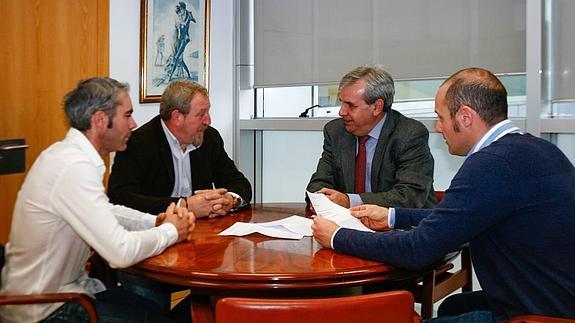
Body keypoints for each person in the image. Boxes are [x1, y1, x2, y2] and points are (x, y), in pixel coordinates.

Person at [312, 68, 575, 321]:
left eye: (441, 117)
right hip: (554, 297)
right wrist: (392, 216)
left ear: (465, 117)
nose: (438, 128)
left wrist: (338, 237)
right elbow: (457, 215)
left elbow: (418, 250)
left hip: (538, 315)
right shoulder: (538, 149)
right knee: (452, 305)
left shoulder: (492, 164)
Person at [0, 77, 195, 323]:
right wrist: (171, 231)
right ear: (100, 120)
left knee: (157, 311)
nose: (133, 124)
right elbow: (121, 253)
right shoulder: (72, 166)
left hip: (68, 291)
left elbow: (106, 210)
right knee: (162, 316)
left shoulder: (68, 157)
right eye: (127, 115)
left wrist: (154, 221)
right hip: (44, 308)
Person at [108, 79, 252, 218]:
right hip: (158, 231)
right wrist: (183, 206)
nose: (208, 121)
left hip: (204, 232)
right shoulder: (137, 143)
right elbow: (121, 199)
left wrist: (229, 200)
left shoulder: (209, 138)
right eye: (201, 114)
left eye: (208, 112)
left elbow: (239, 183)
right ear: (177, 117)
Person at [307, 65, 436, 210]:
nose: (341, 112)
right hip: (349, 224)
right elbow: (320, 181)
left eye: (350, 105)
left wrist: (351, 201)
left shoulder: (409, 134)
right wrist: (320, 198)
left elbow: (410, 196)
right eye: (341, 102)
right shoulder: (336, 131)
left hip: (404, 226)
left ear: (377, 107)